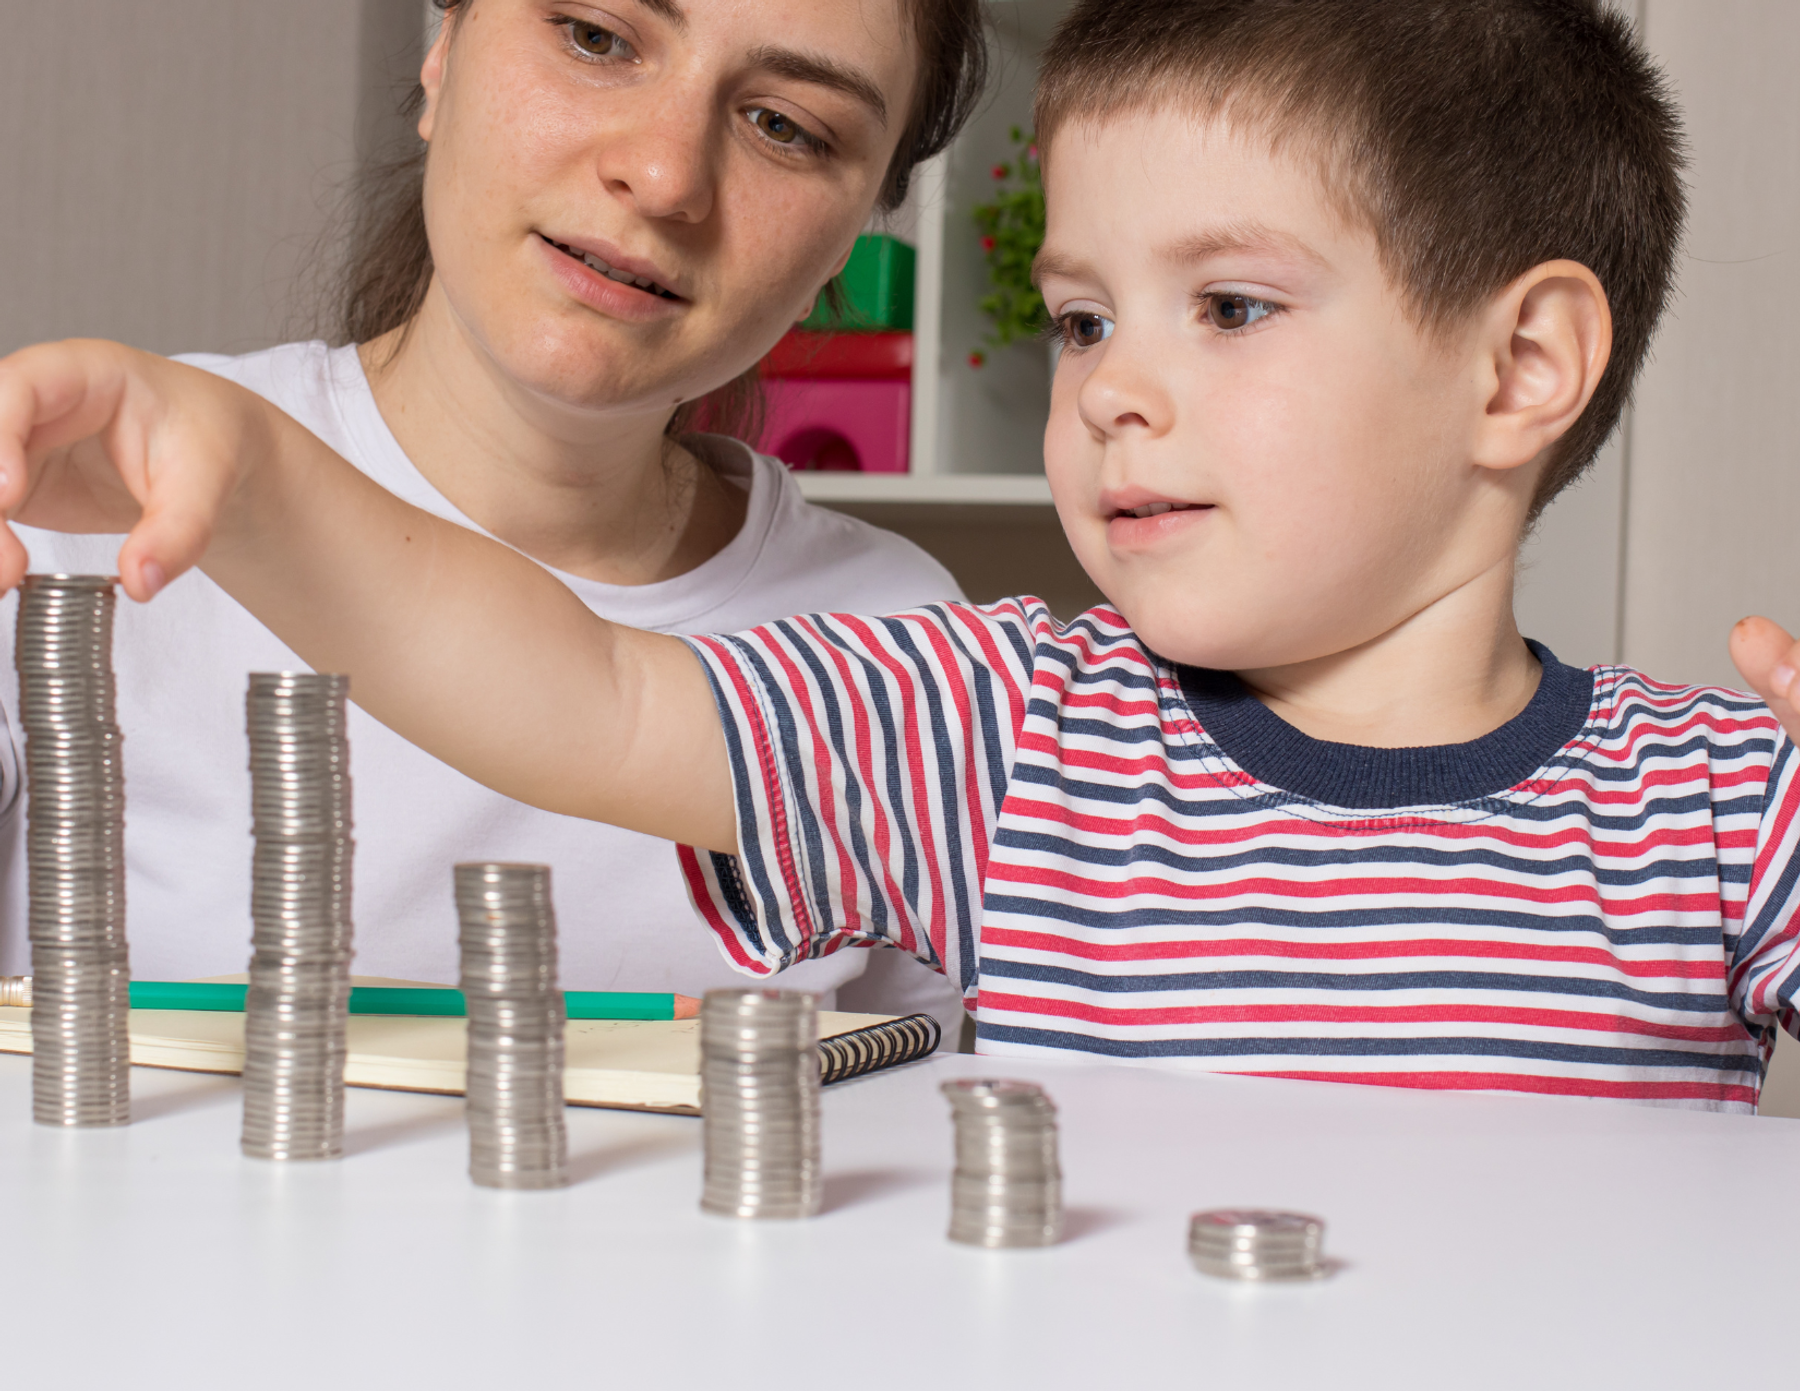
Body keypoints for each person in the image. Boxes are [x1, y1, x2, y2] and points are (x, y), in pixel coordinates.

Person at [5, 0, 1795, 1109]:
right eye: (1084, 323)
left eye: (1231, 306)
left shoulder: (1731, 799)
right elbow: (581, 684)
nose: (1112, 396)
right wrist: (244, 471)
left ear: (1521, 367)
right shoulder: (996, 724)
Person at [0, 0, 988, 1033]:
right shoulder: (77, 487)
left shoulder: (902, 648)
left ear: (853, 235)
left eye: (787, 125)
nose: (664, 177)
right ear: (443, 49)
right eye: (597, 39)